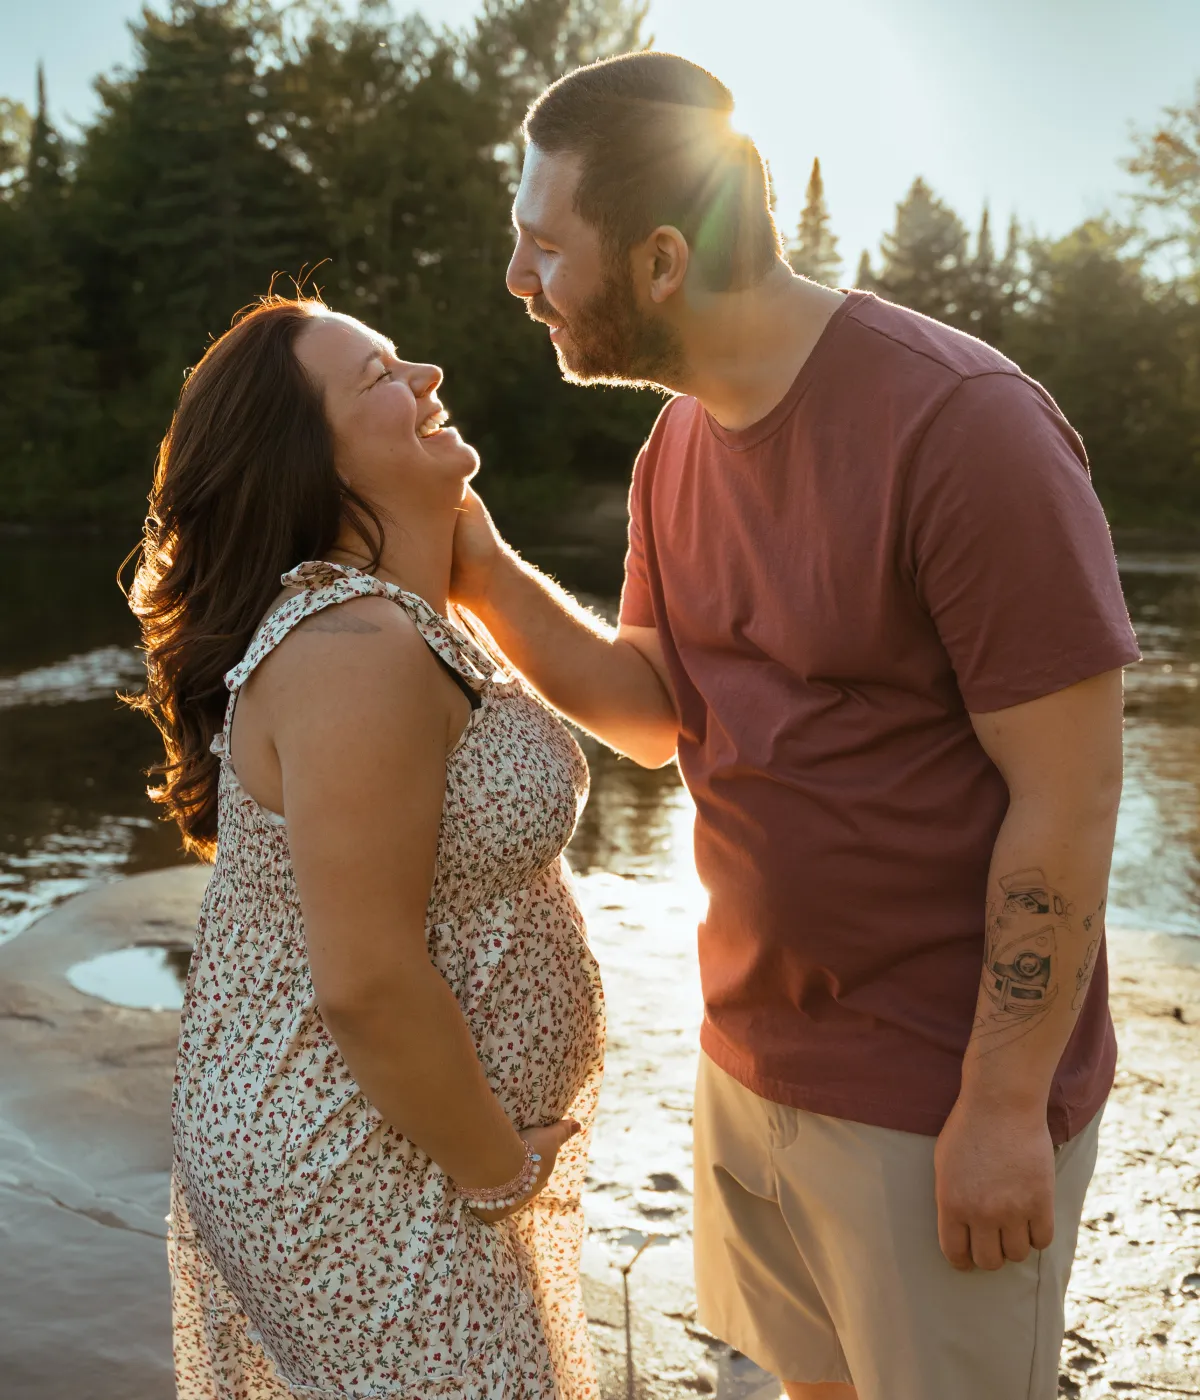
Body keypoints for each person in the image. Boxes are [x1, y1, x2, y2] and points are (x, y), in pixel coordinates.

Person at [446, 52, 1139, 1400]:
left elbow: (1072, 795)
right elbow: (654, 717)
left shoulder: (965, 427)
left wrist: (1003, 1107)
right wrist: (474, 570)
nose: (518, 281)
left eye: (542, 246)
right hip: (747, 1069)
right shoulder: (677, 449)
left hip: (933, 1099)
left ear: (658, 262)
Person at [126, 295, 605, 1400]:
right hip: (358, 1155)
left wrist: (466, 555)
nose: (430, 374)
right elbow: (370, 981)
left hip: (391, 1135)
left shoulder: (399, 618)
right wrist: (496, 1169)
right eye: (383, 375)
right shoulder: (354, 649)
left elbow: (655, 720)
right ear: (316, 465)